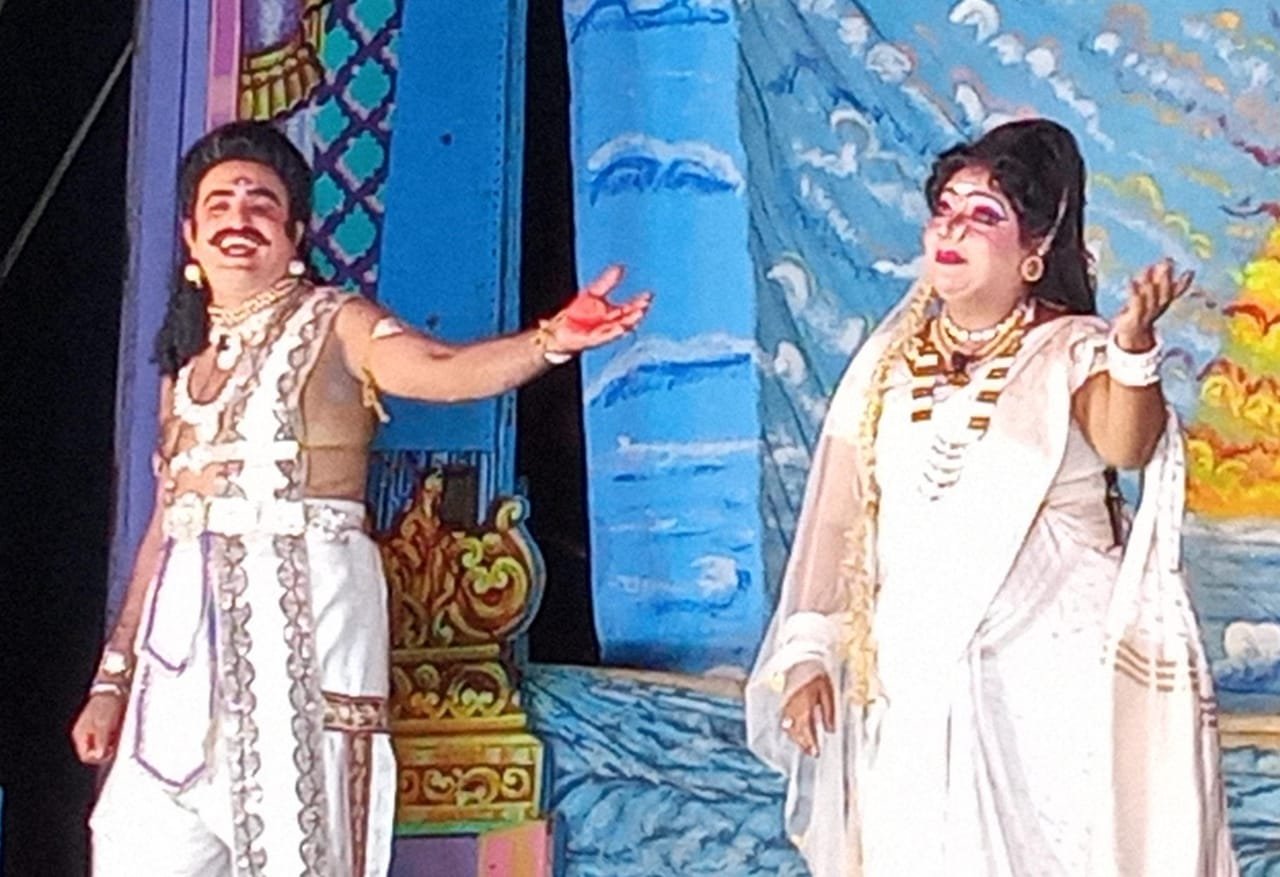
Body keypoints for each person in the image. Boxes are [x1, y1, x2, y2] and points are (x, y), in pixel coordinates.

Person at [70, 121, 650, 876]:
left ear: (295, 233)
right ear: (190, 235)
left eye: (261, 203)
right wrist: (112, 680)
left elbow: (440, 368)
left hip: (298, 653)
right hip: (176, 681)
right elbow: (165, 530)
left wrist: (550, 341)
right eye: (219, 205)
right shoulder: (185, 371)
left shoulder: (335, 322)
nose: (239, 218)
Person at [745, 119, 1237, 877]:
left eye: (983, 215)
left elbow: (1126, 443)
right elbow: (837, 516)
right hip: (913, 692)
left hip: (1048, 701)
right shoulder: (884, 367)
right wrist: (809, 651)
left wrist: (1134, 347)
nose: (952, 229)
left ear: (1034, 251)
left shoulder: (1073, 347)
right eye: (945, 209)